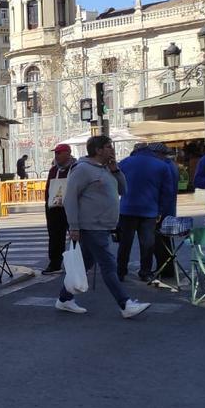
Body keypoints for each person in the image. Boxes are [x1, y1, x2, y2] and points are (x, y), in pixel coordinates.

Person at [56, 135, 151, 318]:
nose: (112, 150)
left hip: (103, 225)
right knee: (108, 265)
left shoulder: (107, 169)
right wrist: (74, 226)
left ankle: (64, 299)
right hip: (91, 225)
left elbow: (123, 190)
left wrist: (116, 171)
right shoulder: (83, 169)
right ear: (98, 150)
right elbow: (70, 198)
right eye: (108, 147)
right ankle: (125, 304)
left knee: (86, 262)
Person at [117, 143, 178, 283]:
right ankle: (145, 272)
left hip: (127, 209)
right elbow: (167, 192)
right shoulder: (162, 165)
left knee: (125, 242)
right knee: (147, 244)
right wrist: (161, 210)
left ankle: (120, 271)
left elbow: (115, 185)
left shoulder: (124, 163)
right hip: (149, 210)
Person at [42, 144, 76, 274]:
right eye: (55, 153)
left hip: (71, 207)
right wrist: (48, 205)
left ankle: (77, 262)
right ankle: (55, 263)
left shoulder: (76, 168)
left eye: (59, 153)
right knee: (55, 236)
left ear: (68, 153)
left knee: (75, 236)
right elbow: (48, 189)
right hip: (54, 208)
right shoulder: (53, 170)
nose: (56, 156)